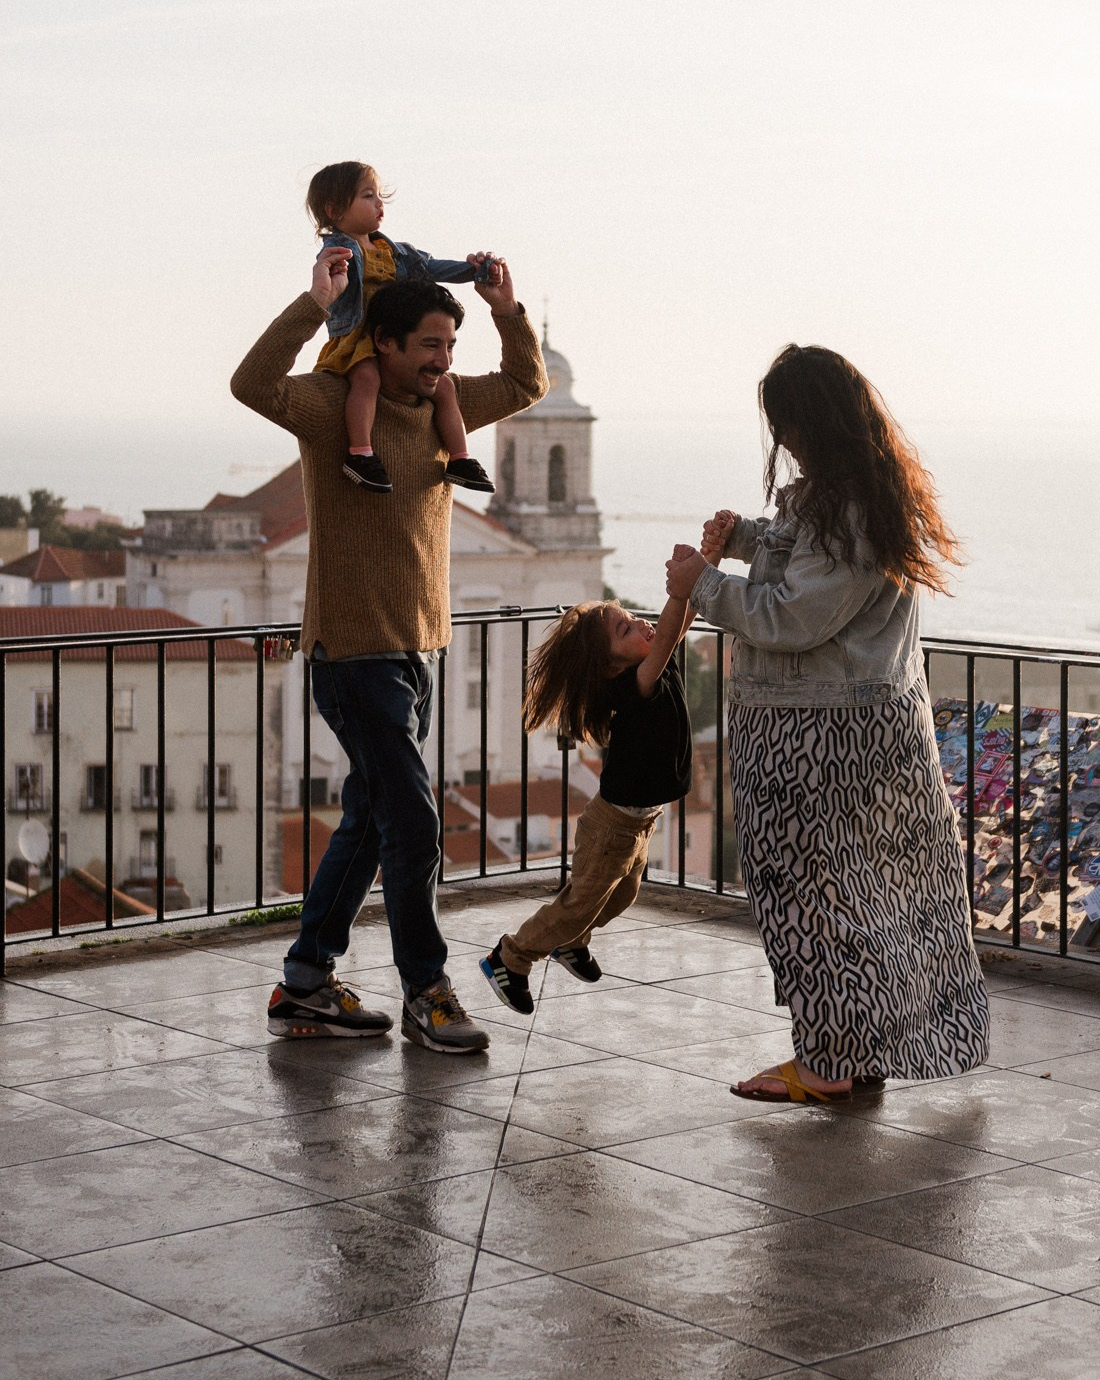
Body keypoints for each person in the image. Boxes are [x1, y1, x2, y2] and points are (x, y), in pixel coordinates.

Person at [231, 251, 546, 1054]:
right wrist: (312, 305)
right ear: (388, 342)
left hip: (418, 649)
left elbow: (523, 385)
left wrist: (508, 311)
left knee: (371, 821)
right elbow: (253, 384)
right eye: (429, 345)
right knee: (415, 823)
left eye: (450, 345)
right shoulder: (336, 403)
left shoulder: (444, 402)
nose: (443, 361)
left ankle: (305, 982)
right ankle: (428, 991)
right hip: (353, 652)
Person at [665, 344, 988, 1103]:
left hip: (816, 739)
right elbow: (807, 569)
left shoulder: (846, 506)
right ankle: (856, 1047)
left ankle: (828, 1059)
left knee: (808, 895)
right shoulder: (863, 497)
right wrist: (747, 536)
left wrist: (702, 584)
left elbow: (795, 614)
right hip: (867, 727)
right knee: (874, 892)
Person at [478, 567, 715, 1013]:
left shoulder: (656, 662)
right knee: (577, 904)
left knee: (621, 897)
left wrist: (703, 571)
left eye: (632, 618)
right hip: (614, 826)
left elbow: (675, 626)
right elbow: (665, 634)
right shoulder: (631, 685)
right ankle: (509, 957)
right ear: (610, 665)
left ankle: (572, 943)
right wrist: (682, 589)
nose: (642, 625)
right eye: (626, 628)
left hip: (640, 820)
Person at [304, 160, 500, 496]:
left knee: (446, 389)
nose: (379, 204)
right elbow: (334, 289)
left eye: (380, 196)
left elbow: (432, 267)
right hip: (359, 338)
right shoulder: (340, 250)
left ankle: (460, 458)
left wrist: (475, 271)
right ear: (334, 209)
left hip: (393, 339)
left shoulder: (393, 252)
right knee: (367, 378)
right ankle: (361, 453)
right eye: (368, 196)